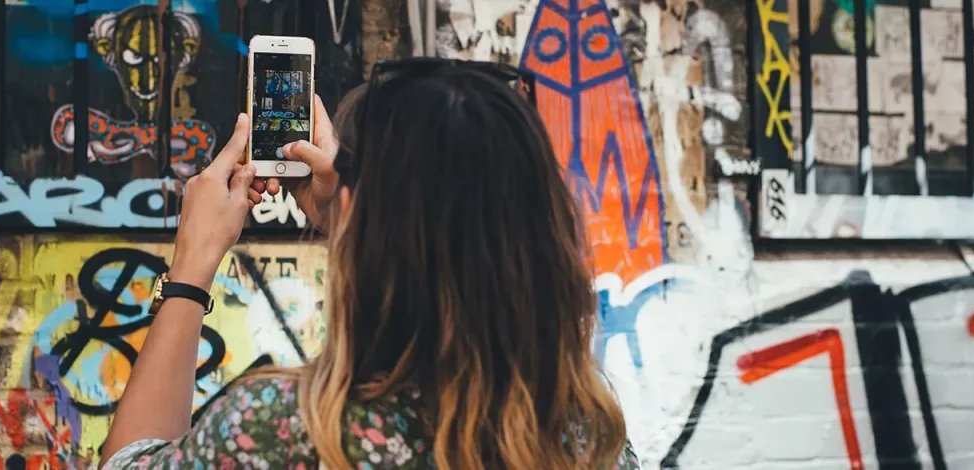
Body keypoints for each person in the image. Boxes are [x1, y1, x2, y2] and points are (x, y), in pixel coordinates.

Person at [101, 59, 640, 470]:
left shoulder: (284, 429)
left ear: (353, 208)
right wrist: (356, 222)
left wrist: (192, 266)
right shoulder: (586, 435)